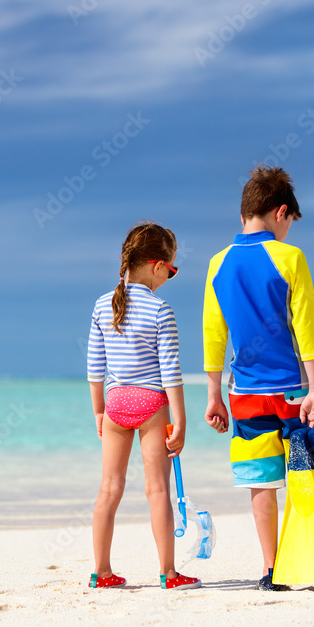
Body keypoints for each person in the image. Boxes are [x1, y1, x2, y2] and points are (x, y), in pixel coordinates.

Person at [202, 164, 314, 591]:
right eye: (289, 223)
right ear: (281, 212)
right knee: (312, 475)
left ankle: (273, 571)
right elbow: (307, 328)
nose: (288, 231)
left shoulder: (218, 263)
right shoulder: (290, 257)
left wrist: (214, 393)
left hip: (243, 394)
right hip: (291, 390)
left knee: (261, 482)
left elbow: (215, 333)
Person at [86, 222, 200, 591]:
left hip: (116, 402)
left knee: (109, 489)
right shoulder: (161, 310)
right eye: (172, 268)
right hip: (152, 403)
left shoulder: (103, 305)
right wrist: (180, 422)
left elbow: (95, 366)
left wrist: (99, 411)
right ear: (156, 265)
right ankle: (169, 573)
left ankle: (101, 573)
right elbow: (171, 373)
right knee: (157, 491)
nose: (171, 275)